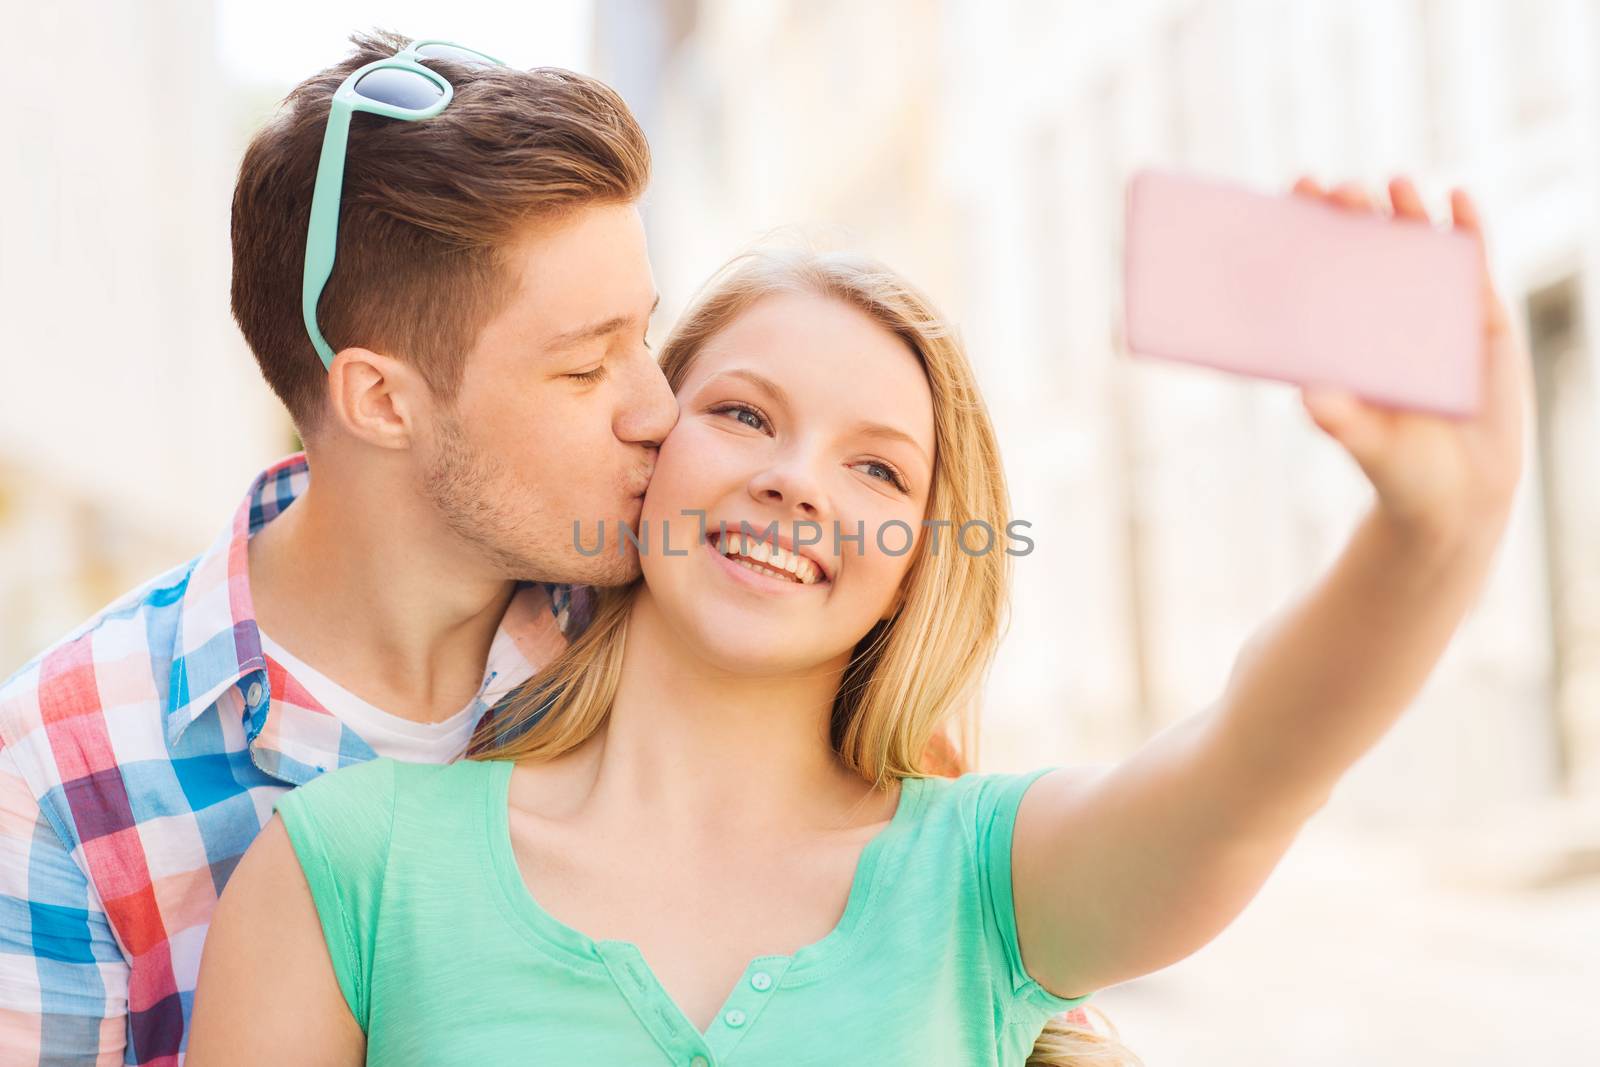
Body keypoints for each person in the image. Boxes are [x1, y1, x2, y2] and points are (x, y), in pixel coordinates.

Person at [188, 173, 1530, 1065]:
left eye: (878, 467)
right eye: (745, 414)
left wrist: (1434, 535)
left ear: (916, 558)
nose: (795, 479)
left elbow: (1254, 759)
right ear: (651, 445)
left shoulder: (989, 882)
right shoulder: (344, 867)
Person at [0, 31, 674, 1064]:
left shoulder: (668, 649)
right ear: (379, 398)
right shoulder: (61, 766)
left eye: (645, 336)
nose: (657, 408)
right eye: (587, 369)